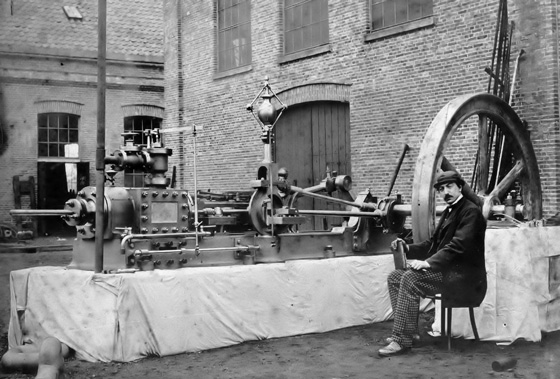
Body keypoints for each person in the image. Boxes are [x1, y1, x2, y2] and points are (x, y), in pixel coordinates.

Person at [378, 170, 487, 357]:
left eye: (450, 186)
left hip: (466, 281)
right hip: (449, 275)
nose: (446, 192)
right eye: (441, 189)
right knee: (395, 277)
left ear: (460, 187)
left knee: (411, 278)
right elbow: (432, 244)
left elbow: (458, 246)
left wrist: (427, 263)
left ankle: (401, 340)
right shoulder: (449, 212)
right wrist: (407, 247)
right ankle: (409, 333)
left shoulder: (471, 212)